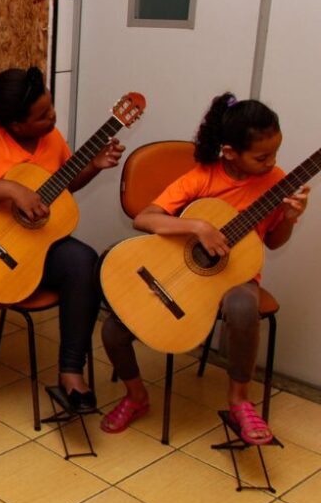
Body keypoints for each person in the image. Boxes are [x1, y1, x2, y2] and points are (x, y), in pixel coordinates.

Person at [100, 93, 309, 444]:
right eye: (262, 157)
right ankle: (136, 396)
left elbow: (273, 243)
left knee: (242, 305)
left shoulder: (276, 182)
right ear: (230, 152)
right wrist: (198, 227)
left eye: (275, 153)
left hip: (236, 277)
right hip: (183, 276)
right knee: (112, 331)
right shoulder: (202, 178)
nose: (272, 163)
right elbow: (144, 218)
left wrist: (288, 218)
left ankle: (239, 401)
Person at [0, 66, 124, 416]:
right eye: (43, 115)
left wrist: (93, 165)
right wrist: (12, 189)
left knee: (84, 262)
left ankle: (71, 372)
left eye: (51, 107)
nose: (53, 117)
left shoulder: (51, 137)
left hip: (34, 250)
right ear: (16, 125)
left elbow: (63, 184)